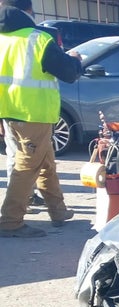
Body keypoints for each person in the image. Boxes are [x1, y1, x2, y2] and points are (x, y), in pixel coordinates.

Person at [0, 0, 82, 238]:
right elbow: (68, 73)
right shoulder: (38, 39)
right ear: (28, 11)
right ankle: (10, 221)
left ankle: (58, 211)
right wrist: (75, 59)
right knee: (27, 166)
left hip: (10, 113)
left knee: (45, 163)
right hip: (33, 114)